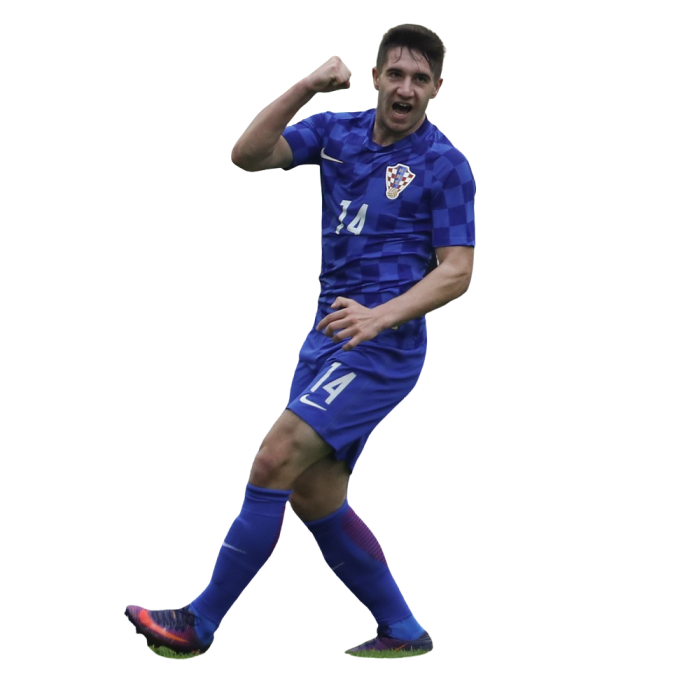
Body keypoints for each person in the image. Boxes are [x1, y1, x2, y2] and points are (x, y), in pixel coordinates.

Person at [125, 23, 475, 659]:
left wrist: (380, 317)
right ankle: (403, 630)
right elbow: (248, 154)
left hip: (383, 349)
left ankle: (198, 623)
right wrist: (309, 84)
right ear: (376, 77)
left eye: (420, 79)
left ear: (437, 88)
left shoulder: (445, 164)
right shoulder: (338, 133)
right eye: (396, 74)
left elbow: (457, 271)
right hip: (325, 340)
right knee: (315, 494)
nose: (406, 89)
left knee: (273, 460)